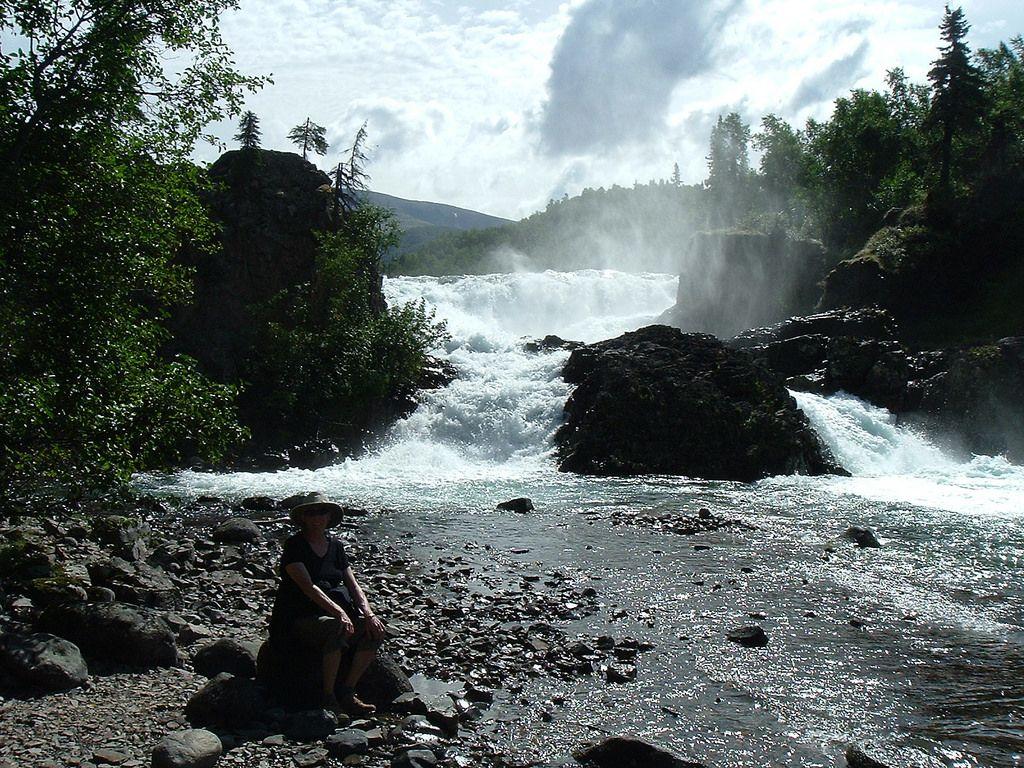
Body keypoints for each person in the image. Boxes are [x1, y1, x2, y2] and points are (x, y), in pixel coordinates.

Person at [269, 492, 386, 715]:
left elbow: (353, 585)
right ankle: (328, 696)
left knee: (375, 631)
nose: (317, 517)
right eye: (311, 512)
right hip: (300, 616)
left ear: (329, 516)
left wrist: (369, 614)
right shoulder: (295, 546)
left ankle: (348, 691)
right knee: (336, 627)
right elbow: (308, 587)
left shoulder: (336, 546)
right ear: (302, 517)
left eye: (322, 512)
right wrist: (340, 612)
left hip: (333, 612)